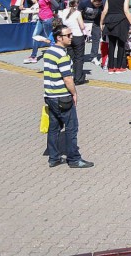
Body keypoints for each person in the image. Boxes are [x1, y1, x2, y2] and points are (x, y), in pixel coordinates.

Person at [43, 24, 92, 168]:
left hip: (50, 96)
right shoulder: (62, 56)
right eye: (68, 35)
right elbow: (68, 79)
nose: (71, 37)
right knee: (71, 128)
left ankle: (54, 157)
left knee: (54, 128)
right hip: (62, 97)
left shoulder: (49, 52)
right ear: (59, 38)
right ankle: (74, 159)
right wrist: (74, 93)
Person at [103, 0, 131, 73]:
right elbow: (126, 10)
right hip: (121, 21)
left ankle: (111, 67)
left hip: (110, 21)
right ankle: (119, 67)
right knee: (121, 44)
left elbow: (105, 10)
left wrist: (102, 23)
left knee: (111, 45)